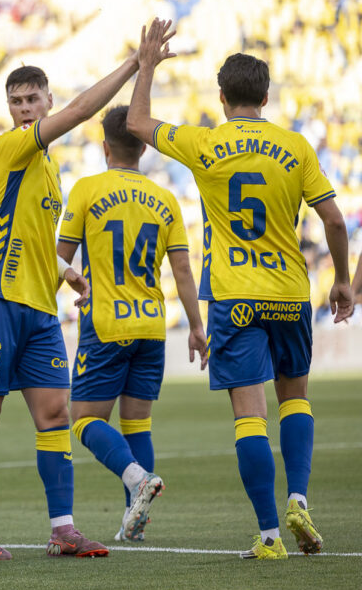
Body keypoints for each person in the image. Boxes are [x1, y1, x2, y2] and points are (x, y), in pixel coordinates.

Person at [126, 29, 354, 559]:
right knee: (295, 399)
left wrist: (148, 65)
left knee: (250, 416)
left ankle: (270, 535)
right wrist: (342, 279)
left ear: (222, 98)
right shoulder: (296, 146)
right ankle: (299, 498)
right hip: (290, 293)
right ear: (266, 97)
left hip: (235, 298)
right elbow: (335, 221)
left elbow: (136, 123)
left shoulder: (205, 143)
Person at [0, 19, 174, 562]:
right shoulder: (10, 147)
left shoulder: (49, 169)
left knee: (56, 415)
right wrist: (135, 65)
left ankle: (63, 529)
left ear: (45, 98)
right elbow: (79, 113)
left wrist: (65, 272)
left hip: (39, 309)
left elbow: (30, 236)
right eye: (16, 102)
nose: (25, 109)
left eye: (33, 99)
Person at [57, 105, 207, 544]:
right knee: (137, 422)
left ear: (104, 147)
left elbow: (60, 258)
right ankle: (133, 519)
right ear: (143, 148)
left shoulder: (87, 190)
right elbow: (183, 270)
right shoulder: (165, 199)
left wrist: (58, 290)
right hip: (152, 326)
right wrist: (197, 327)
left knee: (83, 420)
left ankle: (137, 478)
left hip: (106, 324)